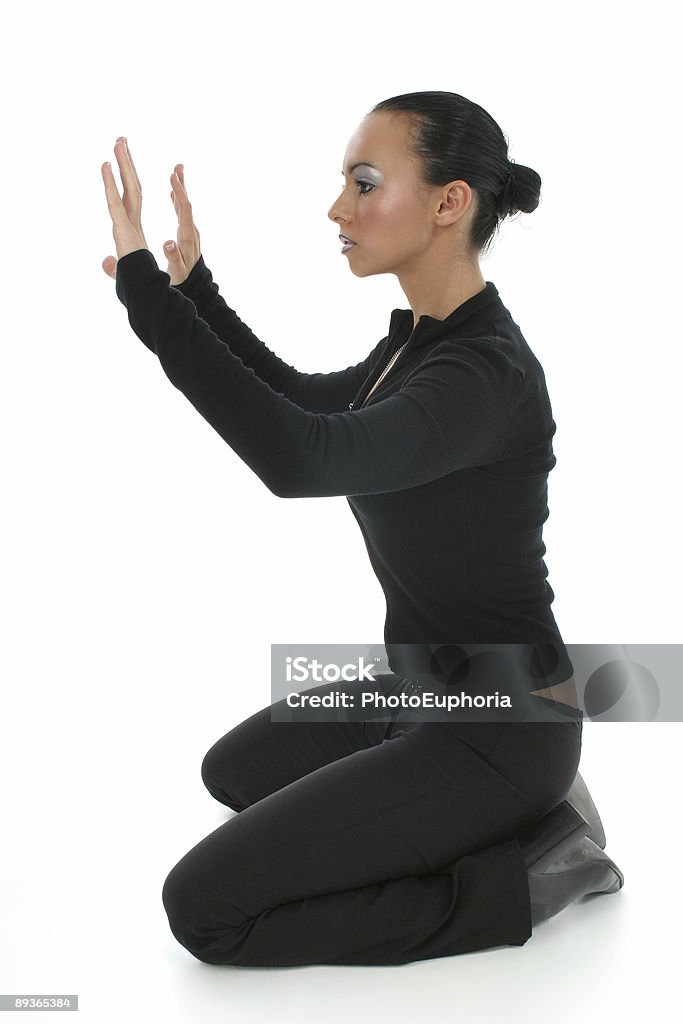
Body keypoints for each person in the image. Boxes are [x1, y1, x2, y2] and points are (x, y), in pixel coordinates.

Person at [101, 90, 624, 967]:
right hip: (425, 689)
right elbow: (303, 404)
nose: (337, 208)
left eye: (365, 182)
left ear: (450, 202)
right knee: (233, 773)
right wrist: (194, 295)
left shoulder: (481, 376)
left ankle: (533, 872)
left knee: (205, 910)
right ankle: (492, 803)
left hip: (499, 723)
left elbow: (298, 460)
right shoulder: (414, 347)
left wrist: (150, 301)